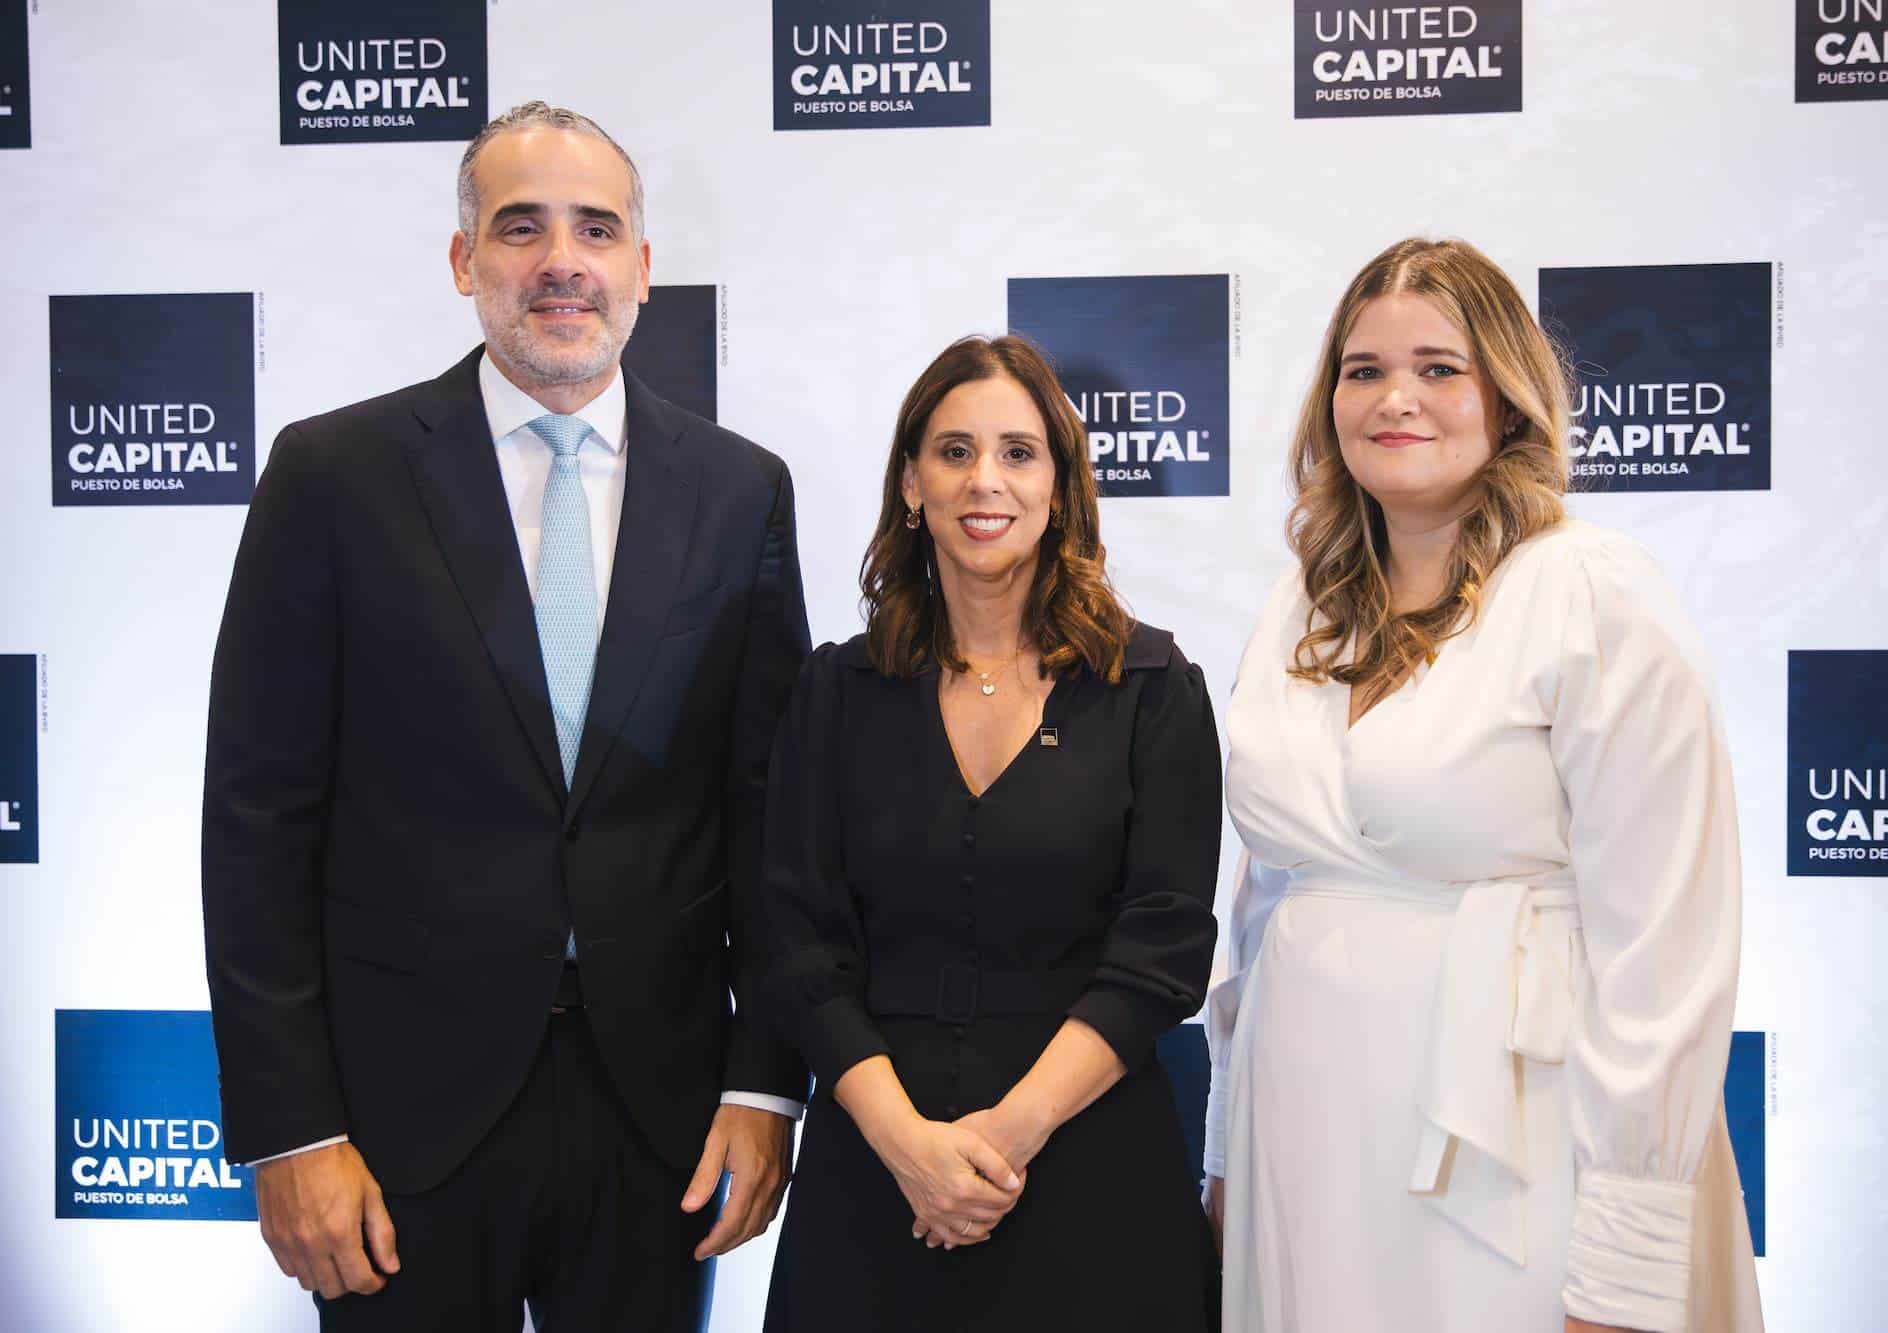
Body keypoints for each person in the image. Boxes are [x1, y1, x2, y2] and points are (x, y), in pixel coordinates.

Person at [201, 102, 809, 1332]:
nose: (560, 261)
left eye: (596, 227)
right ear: (463, 260)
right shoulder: (333, 477)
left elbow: (771, 818)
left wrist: (765, 1086)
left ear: (643, 264)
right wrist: (290, 1127)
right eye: (519, 226)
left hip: (660, 1120)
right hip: (391, 1128)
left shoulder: (740, 489)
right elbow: (256, 818)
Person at [1203, 238, 1766, 1333]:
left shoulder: (1587, 589)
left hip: (1518, 1147)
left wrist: (1625, 1264)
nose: (1394, 398)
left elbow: (1663, 940)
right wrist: (1225, 1142)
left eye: (1436, 367)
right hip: (1307, 1140)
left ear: (1505, 396)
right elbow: (1263, 907)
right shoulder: (1296, 606)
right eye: (1360, 371)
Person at [758, 335, 1223, 1331]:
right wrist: (909, 1149)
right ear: (910, 481)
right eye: (954, 449)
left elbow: (1165, 949)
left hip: (1089, 1169)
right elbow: (794, 942)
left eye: (1018, 452)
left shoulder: (1150, 690)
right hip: (873, 1171)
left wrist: (1001, 1141)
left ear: (1060, 484)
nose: (986, 481)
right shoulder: (835, 691)